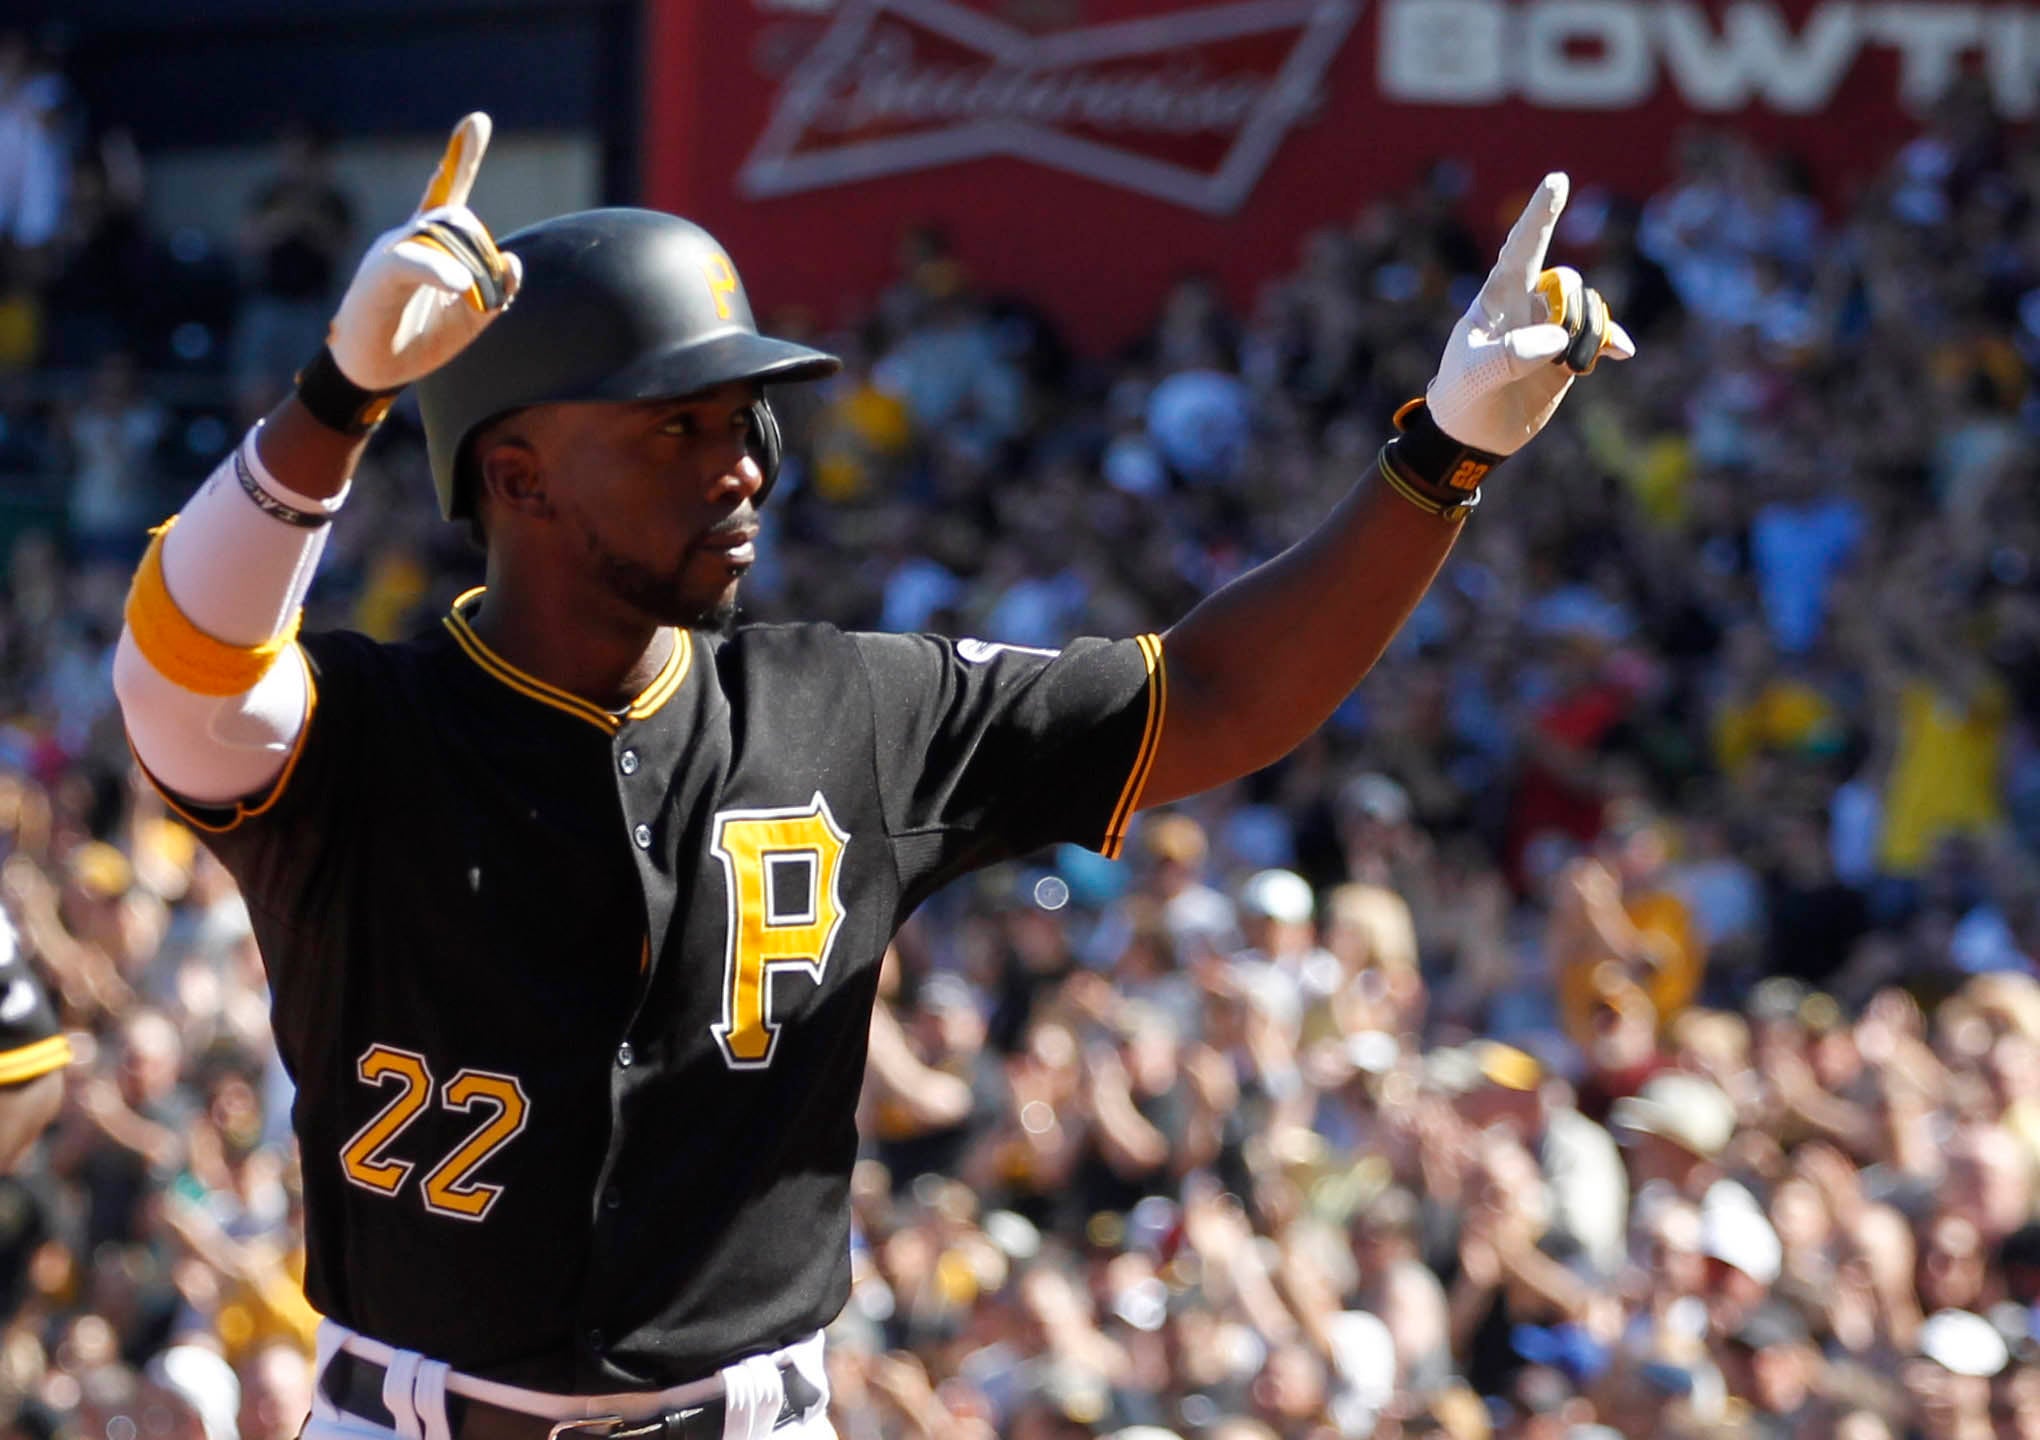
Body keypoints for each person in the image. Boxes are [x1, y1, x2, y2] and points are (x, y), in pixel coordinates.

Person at [110, 113, 1630, 1440]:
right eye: (679, 424)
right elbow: (180, 675)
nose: (747, 459)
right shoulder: (369, 731)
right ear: (514, 476)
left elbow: (1218, 694)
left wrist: (1438, 459)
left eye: (748, 416)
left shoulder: (854, 709)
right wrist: (332, 403)